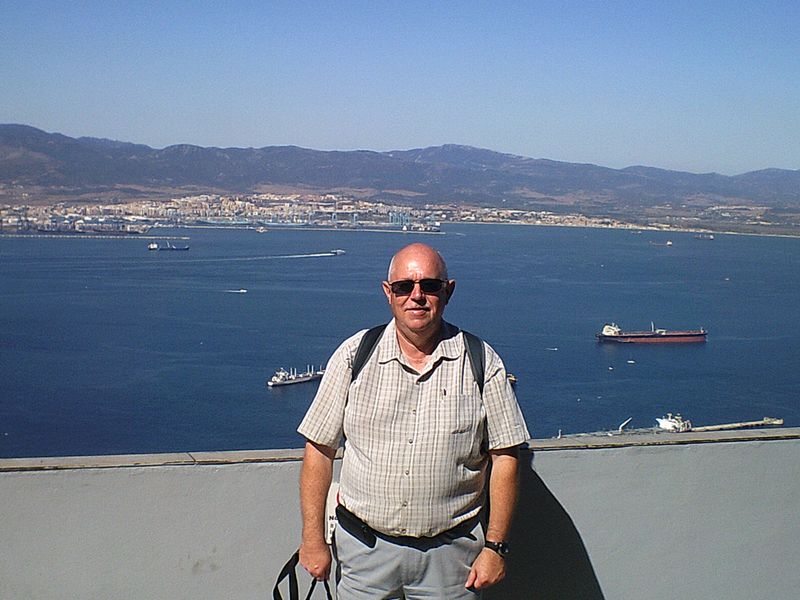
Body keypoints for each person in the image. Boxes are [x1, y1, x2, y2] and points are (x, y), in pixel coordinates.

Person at [297, 242, 530, 599]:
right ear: (388, 293)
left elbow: (506, 458)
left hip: (452, 560)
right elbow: (319, 450)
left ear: (448, 292)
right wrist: (312, 539)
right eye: (405, 286)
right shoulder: (354, 355)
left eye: (430, 286)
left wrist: (495, 547)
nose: (416, 296)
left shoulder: (481, 361)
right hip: (363, 554)